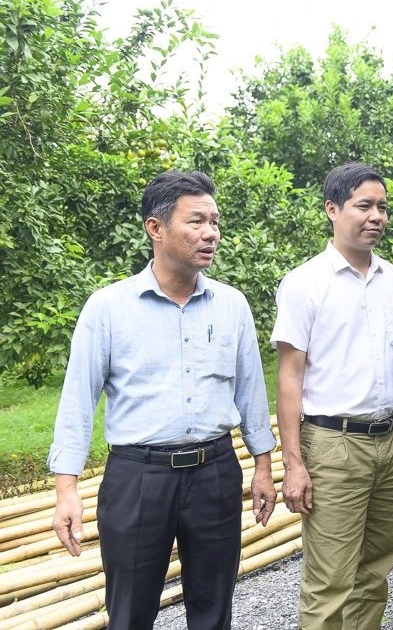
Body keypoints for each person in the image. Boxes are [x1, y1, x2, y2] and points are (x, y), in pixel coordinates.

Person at [48, 171, 277, 630]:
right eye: (196, 221)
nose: (211, 232)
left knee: (214, 609)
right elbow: (78, 399)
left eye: (215, 221)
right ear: (156, 228)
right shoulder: (109, 307)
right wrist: (66, 489)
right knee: (130, 612)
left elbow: (251, 391)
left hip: (215, 472)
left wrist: (264, 468)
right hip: (137, 478)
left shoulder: (232, 305)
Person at [270, 161, 393, 630]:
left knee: (377, 565)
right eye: (364, 206)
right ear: (332, 209)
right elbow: (290, 377)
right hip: (333, 445)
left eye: (382, 207)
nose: (376, 216)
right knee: (330, 579)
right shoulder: (305, 283)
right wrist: (294, 463)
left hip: (390, 438)